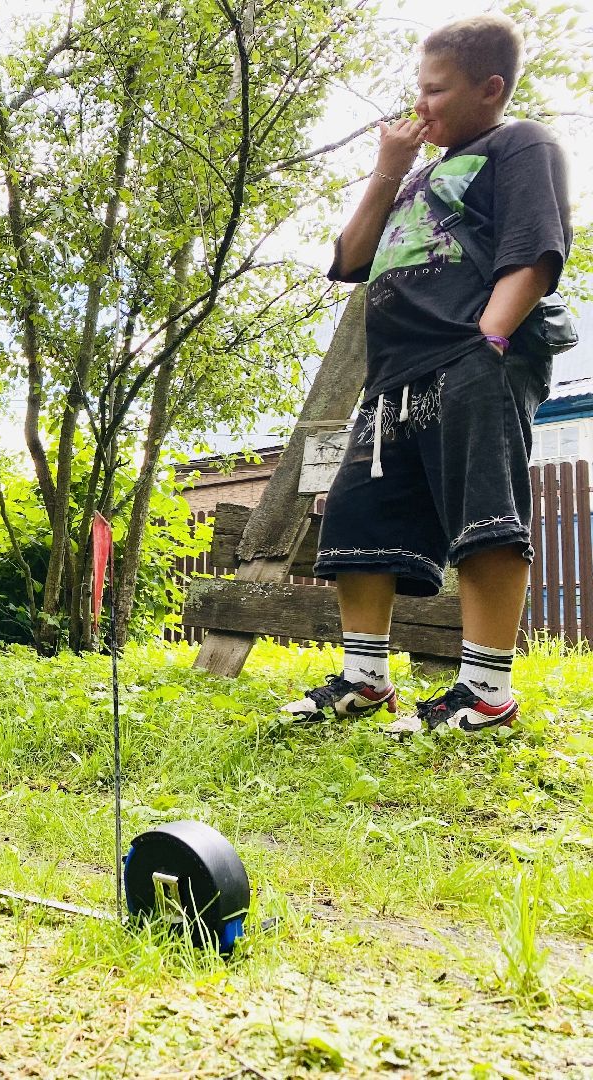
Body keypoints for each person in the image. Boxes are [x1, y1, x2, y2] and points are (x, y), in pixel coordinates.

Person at [282, 14, 571, 734]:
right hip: (394, 374)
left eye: (436, 91)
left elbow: (536, 248)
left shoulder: (519, 143)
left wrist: (491, 339)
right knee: (357, 517)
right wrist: (388, 169)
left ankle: (485, 691)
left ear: (490, 88)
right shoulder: (417, 175)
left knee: (485, 515)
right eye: (419, 89)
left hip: (472, 356)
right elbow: (350, 259)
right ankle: (364, 679)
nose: (421, 105)